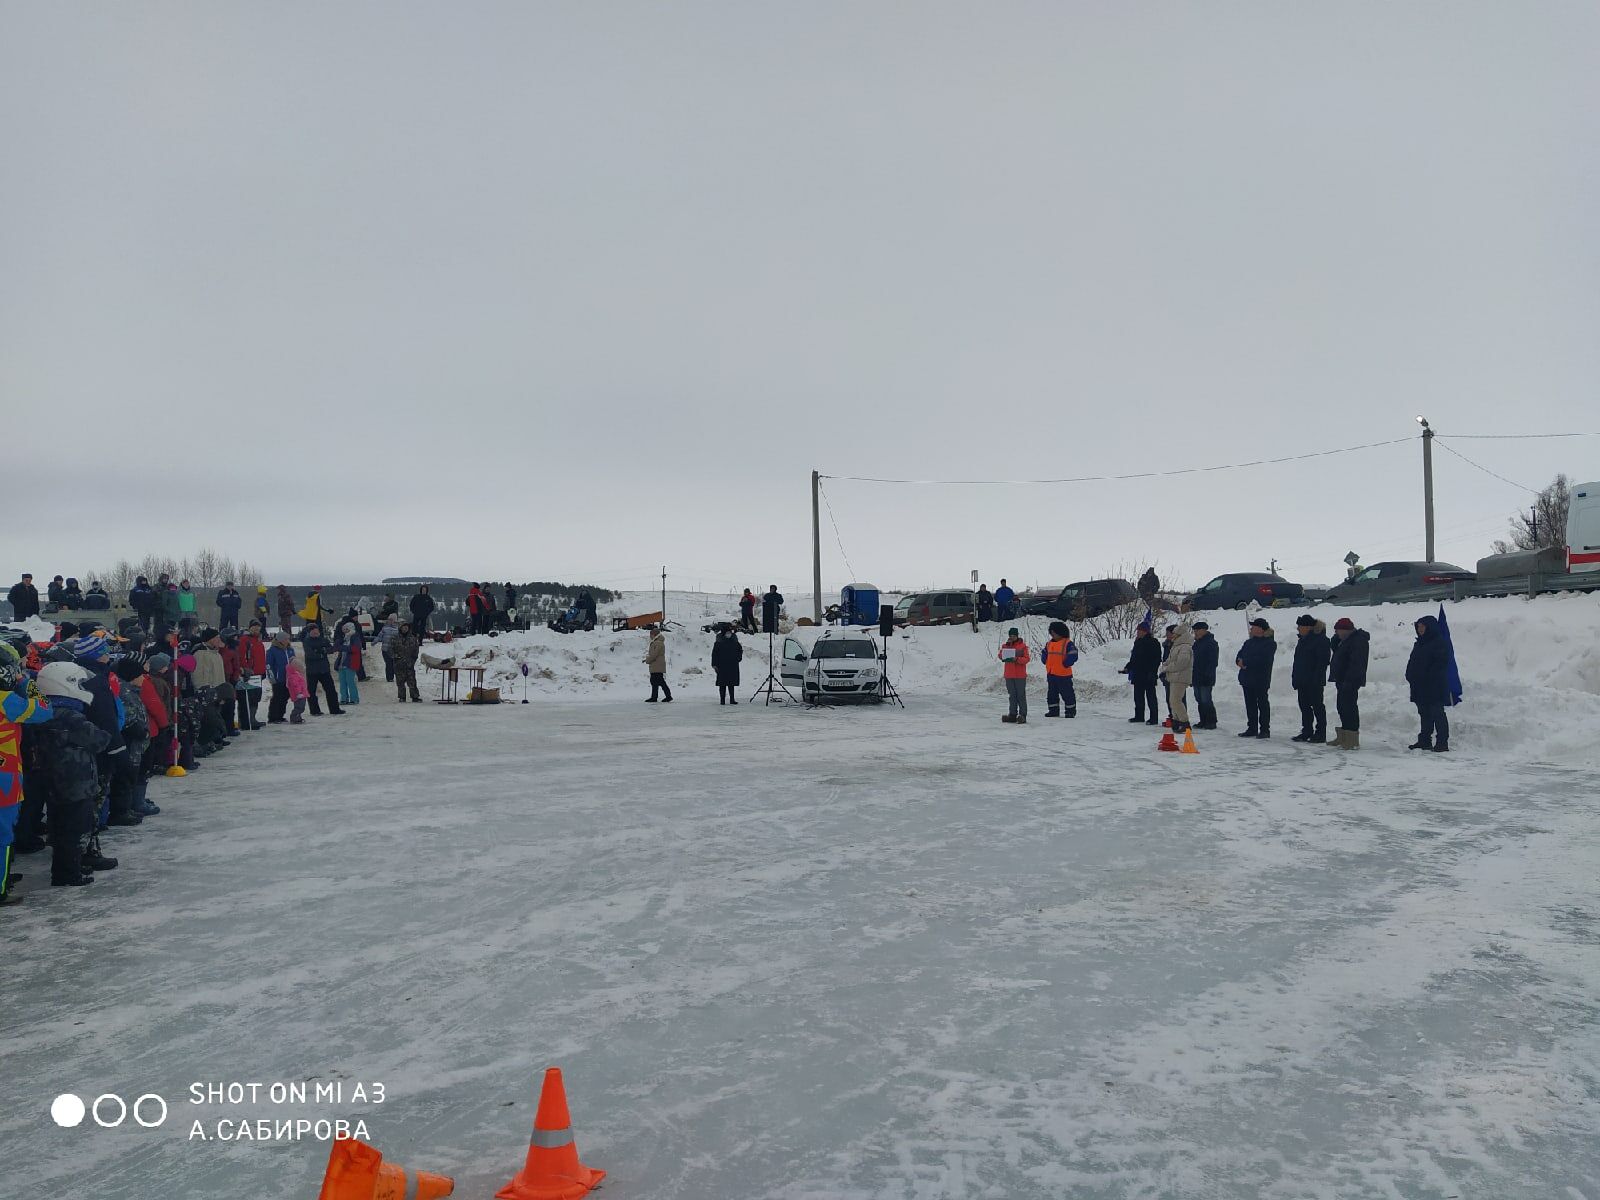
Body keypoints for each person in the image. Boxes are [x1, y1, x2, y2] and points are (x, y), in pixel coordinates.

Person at [31, 661, 112, 887]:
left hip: (51, 779)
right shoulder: (71, 717)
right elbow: (99, 739)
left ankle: (66, 869)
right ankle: (67, 874)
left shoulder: (41, 712)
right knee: (74, 829)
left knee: (59, 827)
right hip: (75, 781)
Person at [1, 643, 53, 906]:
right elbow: (44, 710)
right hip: (5, 777)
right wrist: (24, 682)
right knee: (3, 835)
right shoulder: (7, 701)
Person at [1405, 614, 1452, 752]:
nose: (1419, 629)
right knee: (1424, 713)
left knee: (1437, 713)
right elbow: (1412, 661)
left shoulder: (1439, 643)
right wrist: (1410, 675)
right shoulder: (1419, 643)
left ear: (1430, 627)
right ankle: (1424, 740)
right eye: (1418, 626)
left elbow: (1440, 665)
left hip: (1434, 686)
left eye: (1422, 626)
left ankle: (1442, 742)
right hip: (1419, 686)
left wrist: (1427, 678)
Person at [1327, 617, 1369, 749]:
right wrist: (1335, 639)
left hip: (1351, 680)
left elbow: (1357, 663)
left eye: (1338, 630)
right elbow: (1337, 652)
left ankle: (1351, 738)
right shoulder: (1344, 641)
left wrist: (1350, 680)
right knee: (1342, 707)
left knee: (1349, 708)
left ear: (1345, 630)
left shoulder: (1358, 641)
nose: (1336, 633)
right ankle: (1343, 736)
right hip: (1342, 679)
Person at [1290, 615, 1332, 744]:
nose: (1298, 628)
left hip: (1314, 681)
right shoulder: (1302, 640)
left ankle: (1321, 733)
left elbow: (1323, 662)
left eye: (1300, 626)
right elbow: (1298, 661)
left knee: (1317, 706)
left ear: (1308, 627)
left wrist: (1316, 678)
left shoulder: (1321, 640)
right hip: (1302, 680)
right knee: (1304, 706)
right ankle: (1307, 731)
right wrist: (1295, 677)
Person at [1235, 618, 1277, 738]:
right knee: (1250, 704)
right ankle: (1252, 728)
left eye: (1253, 626)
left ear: (1260, 629)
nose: (1251, 628)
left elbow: (1263, 659)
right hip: (1246, 678)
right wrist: (1239, 661)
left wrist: (1246, 662)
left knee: (1262, 704)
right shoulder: (1249, 642)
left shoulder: (1269, 643)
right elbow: (1240, 654)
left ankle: (1264, 729)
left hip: (1260, 679)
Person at [298, 622, 344, 715]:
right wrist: (321, 653)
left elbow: (331, 649)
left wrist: (322, 651)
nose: (316, 633)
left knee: (331, 690)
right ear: (310, 632)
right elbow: (311, 655)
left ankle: (334, 709)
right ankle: (314, 711)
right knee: (311, 691)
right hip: (312, 671)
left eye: (317, 632)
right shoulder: (307, 641)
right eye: (314, 632)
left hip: (324, 669)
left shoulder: (323, 639)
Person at [1122, 623, 1162, 725]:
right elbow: (1134, 658)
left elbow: (1156, 659)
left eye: (1139, 630)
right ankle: (1139, 716)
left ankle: (1154, 718)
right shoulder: (1138, 642)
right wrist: (1128, 667)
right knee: (1138, 696)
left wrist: (1153, 672)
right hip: (1138, 673)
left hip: (1149, 673)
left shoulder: (1153, 642)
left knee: (1151, 697)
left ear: (1145, 631)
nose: (1137, 632)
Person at [1041, 621, 1078, 717]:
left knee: (1067, 694)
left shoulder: (1067, 643)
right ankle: (1053, 710)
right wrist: (1044, 659)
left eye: (1054, 633)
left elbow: (1073, 655)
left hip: (1063, 674)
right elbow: (1045, 653)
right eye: (1051, 633)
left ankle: (1070, 711)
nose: (1053, 635)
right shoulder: (1049, 644)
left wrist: (1066, 663)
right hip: (1051, 674)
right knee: (1052, 694)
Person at [235, 622, 267, 731]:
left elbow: (261, 658)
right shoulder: (244, 640)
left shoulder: (258, 641)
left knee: (255, 698)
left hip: (258, 674)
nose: (256, 630)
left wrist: (263, 671)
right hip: (249, 674)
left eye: (258, 628)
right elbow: (241, 655)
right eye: (254, 628)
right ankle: (245, 721)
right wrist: (245, 669)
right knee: (246, 698)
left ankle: (252, 719)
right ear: (249, 628)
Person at [1165, 623, 1194, 733]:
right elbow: (1169, 660)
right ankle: (1176, 720)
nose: (1172, 636)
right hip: (1174, 677)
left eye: (1175, 634)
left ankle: (1184, 722)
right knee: (1172, 701)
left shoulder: (1185, 647)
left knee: (1176, 700)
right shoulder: (1176, 646)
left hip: (1180, 677)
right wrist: (1164, 667)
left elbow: (1182, 662)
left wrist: (1168, 668)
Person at [1191, 622, 1220, 729]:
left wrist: (1207, 675)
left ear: (1204, 630)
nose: (1195, 633)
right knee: (1199, 699)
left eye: (1197, 630)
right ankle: (1203, 720)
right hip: (1196, 676)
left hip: (1206, 676)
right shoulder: (1196, 643)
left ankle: (1211, 721)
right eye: (1194, 631)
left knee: (1206, 699)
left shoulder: (1211, 643)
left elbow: (1213, 662)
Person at [999, 626, 1030, 724]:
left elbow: (1026, 659)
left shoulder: (1023, 646)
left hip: (1020, 675)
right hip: (1009, 674)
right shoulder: (1005, 645)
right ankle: (1012, 714)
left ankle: (1022, 715)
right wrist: (1005, 650)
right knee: (1012, 695)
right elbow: (1000, 655)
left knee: (1020, 695)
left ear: (1017, 636)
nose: (1012, 637)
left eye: (1013, 636)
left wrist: (1016, 659)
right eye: (1010, 635)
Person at [265, 631, 294, 723]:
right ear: (280, 640)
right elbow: (269, 665)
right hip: (278, 678)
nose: (287, 641)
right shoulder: (272, 650)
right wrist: (272, 678)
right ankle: (273, 717)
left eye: (288, 639)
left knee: (285, 697)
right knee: (277, 697)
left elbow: (294, 663)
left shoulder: (290, 650)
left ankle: (281, 715)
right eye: (286, 639)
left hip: (288, 678)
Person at [711, 625, 743, 705]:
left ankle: (732, 699)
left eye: (730, 632)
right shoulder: (719, 642)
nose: (729, 634)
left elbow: (740, 650)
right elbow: (714, 654)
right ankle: (722, 700)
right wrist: (714, 664)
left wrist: (738, 658)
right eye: (727, 632)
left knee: (731, 683)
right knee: (722, 684)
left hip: (732, 665)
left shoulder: (734, 641)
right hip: (722, 666)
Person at [392, 622, 422, 702]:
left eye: (406, 627)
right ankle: (402, 697)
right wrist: (395, 656)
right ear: (400, 628)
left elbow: (416, 650)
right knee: (400, 682)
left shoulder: (413, 638)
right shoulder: (395, 638)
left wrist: (413, 660)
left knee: (412, 681)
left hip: (409, 663)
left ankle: (415, 696)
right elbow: (390, 649)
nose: (405, 629)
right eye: (403, 627)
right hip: (399, 663)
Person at [643, 626, 672, 702]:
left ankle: (666, 696)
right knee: (655, 681)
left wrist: (647, 660)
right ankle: (655, 697)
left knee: (659, 681)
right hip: (656, 665)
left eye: (651, 635)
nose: (650, 636)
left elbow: (654, 654)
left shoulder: (658, 643)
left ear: (654, 634)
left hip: (657, 665)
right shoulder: (657, 642)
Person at [336, 623, 362, 705]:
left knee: (350, 681)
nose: (344, 631)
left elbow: (356, 648)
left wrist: (343, 648)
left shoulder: (355, 637)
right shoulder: (344, 638)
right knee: (342, 682)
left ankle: (354, 698)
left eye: (346, 629)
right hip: (342, 663)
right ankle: (344, 698)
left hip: (351, 662)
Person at [285, 658, 310, 724]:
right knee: (299, 707)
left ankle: (298, 717)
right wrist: (299, 693)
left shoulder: (296, 674)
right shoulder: (293, 676)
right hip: (299, 695)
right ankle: (294, 717)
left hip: (302, 694)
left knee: (301, 707)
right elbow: (295, 686)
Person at [377, 613, 401, 682]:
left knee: (394, 663)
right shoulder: (385, 628)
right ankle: (389, 677)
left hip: (394, 649)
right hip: (385, 649)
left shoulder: (397, 629)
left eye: (391, 620)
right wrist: (375, 641)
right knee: (388, 663)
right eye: (389, 619)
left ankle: (395, 675)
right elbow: (379, 636)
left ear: (395, 620)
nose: (390, 621)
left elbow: (400, 638)